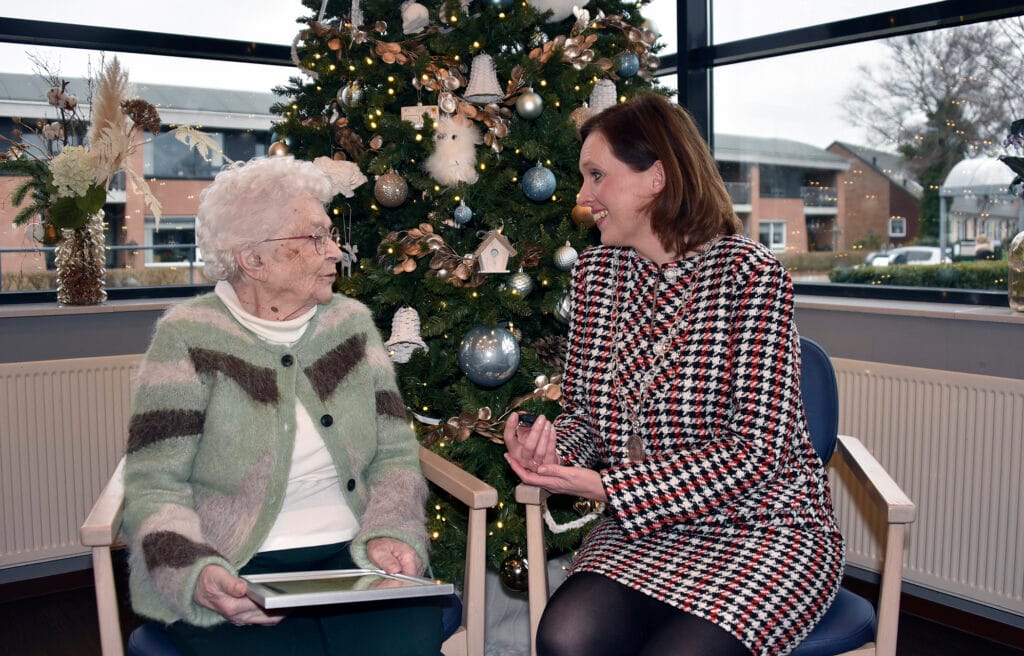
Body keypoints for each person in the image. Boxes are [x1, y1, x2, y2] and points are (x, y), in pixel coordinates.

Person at [503, 94, 844, 656]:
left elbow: (756, 453)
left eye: (596, 175)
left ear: (656, 176)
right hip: (645, 531)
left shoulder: (751, 277)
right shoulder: (599, 276)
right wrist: (553, 449)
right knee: (566, 637)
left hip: (761, 530)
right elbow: (588, 414)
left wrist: (611, 487)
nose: (583, 198)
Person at [122, 156, 443, 656]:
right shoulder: (187, 337)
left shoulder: (352, 326)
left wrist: (392, 531)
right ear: (254, 260)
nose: (337, 251)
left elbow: (395, 455)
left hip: (354, 556)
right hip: (234, 564)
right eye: (315, 238)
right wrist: (197, 571)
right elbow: (153, 483)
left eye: (330, 234)